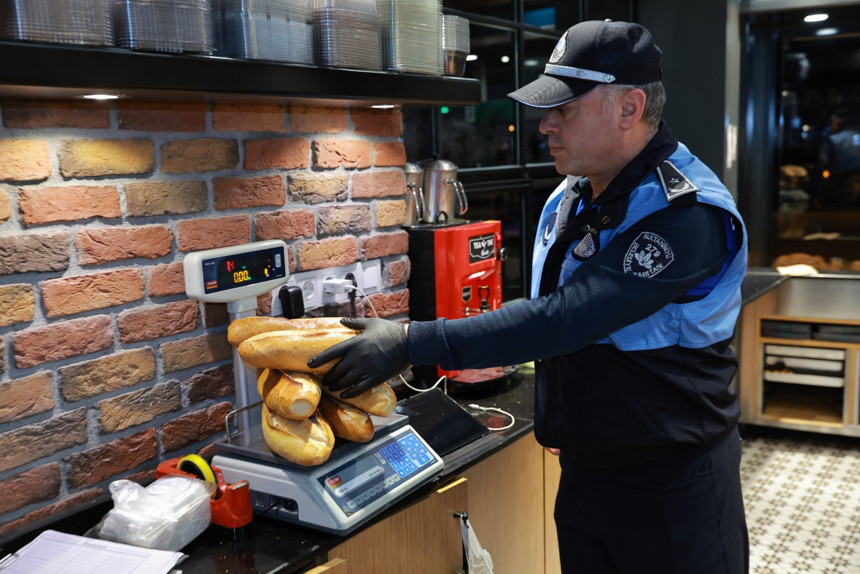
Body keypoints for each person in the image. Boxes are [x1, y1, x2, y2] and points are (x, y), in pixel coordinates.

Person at [309, 19, 749, 574]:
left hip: (672, 482)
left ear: (629, 108)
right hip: (589, 472)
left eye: (564, 109)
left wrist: (409, 343)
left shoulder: (686, 214)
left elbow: (566, 317)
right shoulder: (577, 194)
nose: (545, 126)